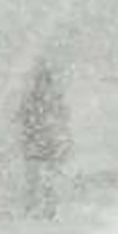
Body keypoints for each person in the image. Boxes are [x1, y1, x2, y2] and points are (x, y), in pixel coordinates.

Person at [16, 61, 72, 220]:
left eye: (44, 82)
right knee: (35, 181)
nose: (42, 85)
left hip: (48, 147)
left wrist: (61, 141)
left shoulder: (53, 100)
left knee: (47, 182)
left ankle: (47, 211)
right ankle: (32, 210)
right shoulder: (32, 100)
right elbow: (22, 119)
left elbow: (63, 120)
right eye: (39, 81)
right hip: (35, 147)